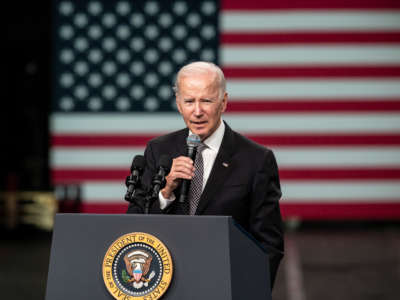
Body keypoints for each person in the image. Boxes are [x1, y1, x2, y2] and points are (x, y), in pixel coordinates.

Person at [127, 61, 284, 288]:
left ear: (224, 102)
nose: (197, 111)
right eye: (189, 101)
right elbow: (133, 223)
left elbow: (269, 244)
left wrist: (251, 291)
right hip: (164, 284)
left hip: (225, 283)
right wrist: (165, 191)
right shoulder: (158, 150)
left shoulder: (256, 159)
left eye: (206, 101)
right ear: (179, 104)